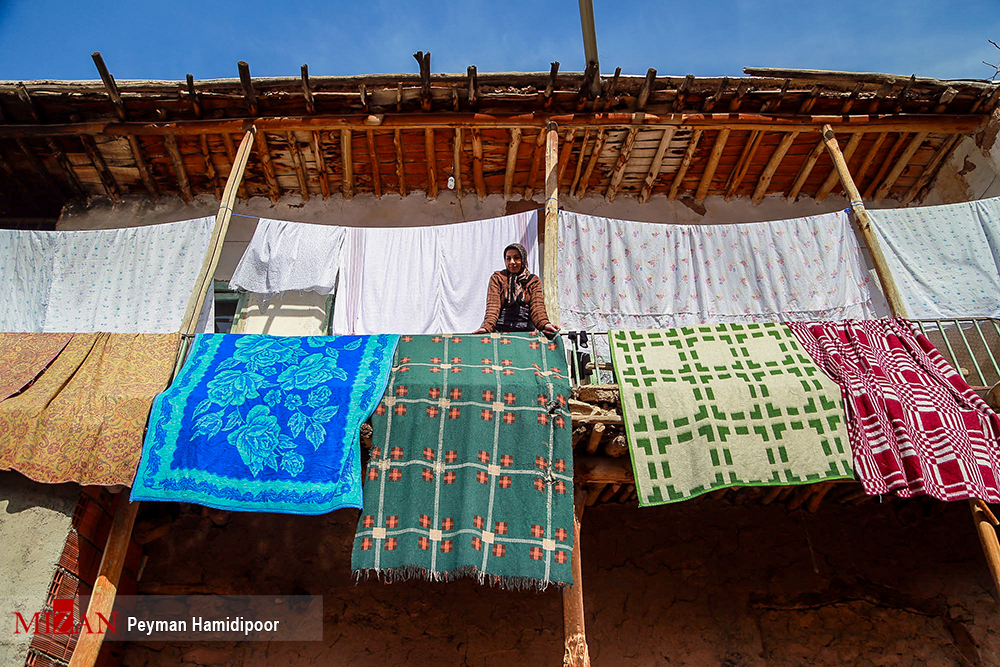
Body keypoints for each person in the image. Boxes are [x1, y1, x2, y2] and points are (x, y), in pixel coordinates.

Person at [474, 243, 560, 335]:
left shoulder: (533, 281)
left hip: (526, 331)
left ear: (523, 259)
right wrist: (486, 327)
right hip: (501, 331)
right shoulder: (498, 278)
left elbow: (537, 306)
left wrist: (545, 324)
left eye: (516, 258)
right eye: (508, 258)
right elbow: (493, 306)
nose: (512, 262)